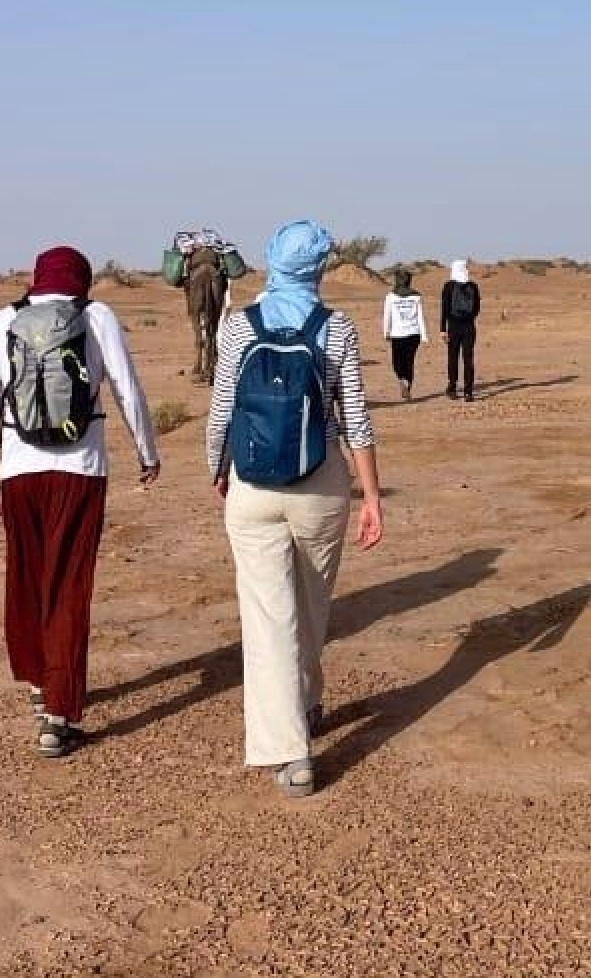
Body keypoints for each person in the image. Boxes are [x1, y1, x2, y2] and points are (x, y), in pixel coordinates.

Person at [204, 220, 384, 796]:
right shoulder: (338, 328)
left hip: (252, 483)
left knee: (267, 617)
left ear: (272, 261)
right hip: (321, 482)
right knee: (311, 604)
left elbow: (221, 410)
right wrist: (371, 495)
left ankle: (290, 754)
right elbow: (355, 417)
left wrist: (218, 467)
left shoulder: (238, 326)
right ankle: (305, 701)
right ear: (322, 267)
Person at [0, 244, 161, 758]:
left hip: (19, 472)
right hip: (81, 471)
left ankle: (39, 682)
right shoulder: (97, 316)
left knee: (27, 579)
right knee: (70, 586)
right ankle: (59, 714)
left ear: (36, 279)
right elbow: (127, 388)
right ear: (82, 279)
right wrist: (147, 451)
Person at [172, 225, 231, 385]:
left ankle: (199, 366)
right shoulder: (216, 250)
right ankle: (211, 368)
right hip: (216, 278)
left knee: (196, 322)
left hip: (195, 280)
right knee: (213, 327)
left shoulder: (190, 250)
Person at [379, 265, 429, 400]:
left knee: (397, 363)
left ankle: (403, 380)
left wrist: (385, 332)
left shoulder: (391, 296)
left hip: (398, 335)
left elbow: (387, 316)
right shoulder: (415, 296)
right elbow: (420, 317)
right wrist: (424, 335)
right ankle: (407, 385)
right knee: (409, 362)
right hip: (413, 334)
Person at [441, 258, 481, 401]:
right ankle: (468, 392)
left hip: (453, 327)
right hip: (469, 327)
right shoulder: (474, 286)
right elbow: (477, 309)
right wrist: (468, 318)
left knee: (453, 358)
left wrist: (442, 329)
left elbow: (444, 309)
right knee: (468, 359)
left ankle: (452, 388)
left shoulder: (448, 286)